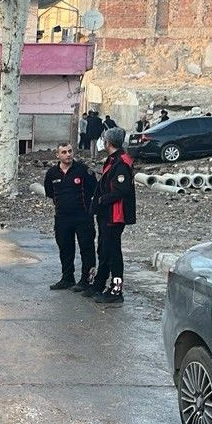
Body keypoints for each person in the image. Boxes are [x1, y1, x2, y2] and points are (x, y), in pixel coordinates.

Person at [86, 127, 135, 304]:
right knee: (104, 249)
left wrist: (100, 200)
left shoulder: (121, 162)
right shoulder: (113, 159)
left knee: (114, 252)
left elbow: (121, 189)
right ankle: (99, 283)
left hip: (114, 214)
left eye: (104, 140)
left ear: (108, 142)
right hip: (106, 213)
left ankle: (116, 290)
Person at [44, 142, 97, 291]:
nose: (68, 154)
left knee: (86, 248)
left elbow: (93, 189)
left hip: (83, 217)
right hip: (62, 218)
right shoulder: (52, 173)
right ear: (57, 155)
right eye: (64, 152)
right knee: (65, 248)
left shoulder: (83, 170)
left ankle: (87, 280)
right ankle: (67, 278)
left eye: (70, 151)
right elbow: (49, 192)